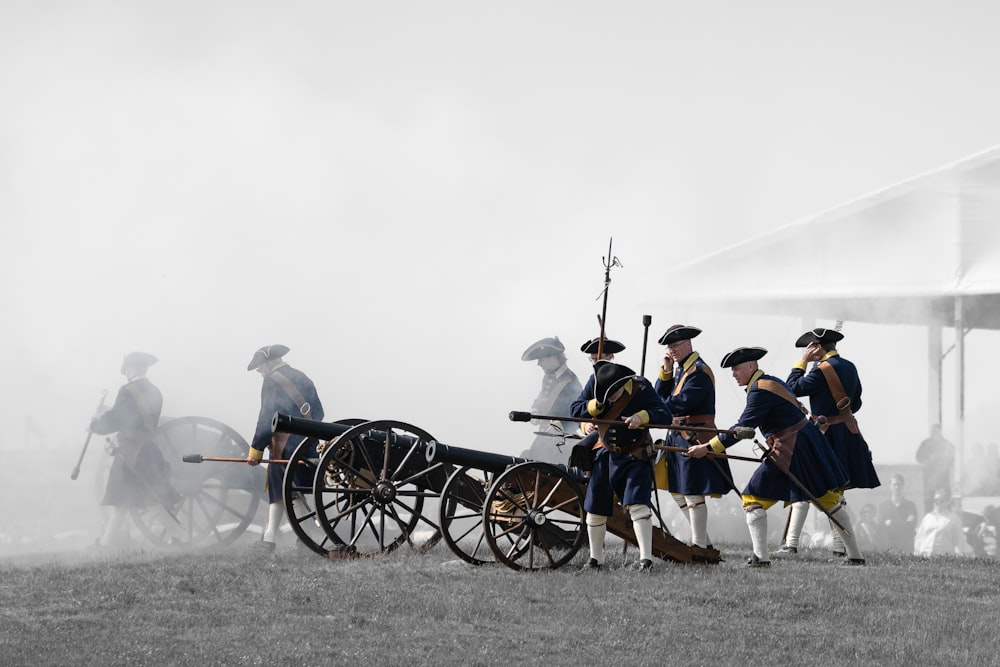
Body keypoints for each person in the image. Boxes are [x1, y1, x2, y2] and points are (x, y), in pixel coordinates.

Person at [687, 346, 864, 567]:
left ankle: (761, 558)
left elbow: (742, 429)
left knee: (752, 499)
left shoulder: (759, 390)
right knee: (827, 499)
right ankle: (856, 556)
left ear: (751, 366)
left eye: (737, 369)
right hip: (804, 444)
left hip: (791, 447)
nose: (734, 374)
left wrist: (707, 447)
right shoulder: (770, 382)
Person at [780, 327, 880, 555]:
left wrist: (801, 363)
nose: (807, 351)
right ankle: (838, 547)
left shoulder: (820, 370)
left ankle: (791, 544)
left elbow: (792, 388)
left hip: (824, 435)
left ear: (817, 348)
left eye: (809, 348)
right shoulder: (849, 366)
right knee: (837, 491)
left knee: (802, 484)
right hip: (847, 431)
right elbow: (857, 403)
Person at [571, 360, 672, 571]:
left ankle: (646, 560)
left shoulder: (641, 386)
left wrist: (642, 417)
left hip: (635, 454)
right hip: (604, 453)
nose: (609, 400)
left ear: (619, 386)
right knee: (595, 508)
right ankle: (595, 560)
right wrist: (591, 412)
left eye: (611, 396)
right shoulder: (595, 382)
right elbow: (575, 409)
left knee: (638, 505)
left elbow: (664, 414)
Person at [652, 324, 734, 549]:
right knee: (678, 491)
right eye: (670, 347)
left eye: (675, 345)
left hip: (695, 434)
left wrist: (653, 407)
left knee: (692, 492)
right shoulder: (680, 369)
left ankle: (699, 547)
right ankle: (704, 544)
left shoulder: (698, 371)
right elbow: (662, 395)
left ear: (688, 343)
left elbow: (681, 402)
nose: (672, 350)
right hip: (679, 434)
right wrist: (666, 372)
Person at [90, 351, 177, 548]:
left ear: (132, 368)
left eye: (127, 369)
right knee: (129, 500)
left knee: (131, 500)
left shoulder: (128, 390)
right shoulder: (154, 391)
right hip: (149, 450)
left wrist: (96, 425)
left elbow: (118, 418)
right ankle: (106, 544)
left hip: (131, 453)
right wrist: (108, 415)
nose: (126, 373)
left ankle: (178, 537)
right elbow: (131, 415)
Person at [245, 344, 325, 551]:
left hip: (285, 446)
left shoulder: (271, 381)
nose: (260, 372)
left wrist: (256, 450)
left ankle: (302, 539)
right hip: (307, 444)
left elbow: (266, 418)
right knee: (283, 491)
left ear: (269, 363)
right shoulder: (302, 377)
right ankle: (270, 538)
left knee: (290, 490)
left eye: (260, 367)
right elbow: (319, 413)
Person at [520, 337, 584, 465]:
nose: (539, 363)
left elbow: (578, 413)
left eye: (541, 359)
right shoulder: (548, 377)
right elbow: (542, 397)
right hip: (545, 434)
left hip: (561, 439)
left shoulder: (570, 381)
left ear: (554, 357)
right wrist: (535, 409)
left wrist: (560, 425)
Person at [913, 490, 973, 557]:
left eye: (941, 500)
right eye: (936, 500)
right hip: (925, 557)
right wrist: (916, 555)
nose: (938, 502)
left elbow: (959, 542)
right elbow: (919, 538)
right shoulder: (927, 518)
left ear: (947, 502)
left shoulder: (954, 518)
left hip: (944, 557)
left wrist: (959, 557)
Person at [916, 424, 956, 515]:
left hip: (943, 479)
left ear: (940, 431)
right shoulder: (925, 443)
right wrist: (929, 459)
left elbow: (952, 459)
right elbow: (918, 457)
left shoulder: (947, 444)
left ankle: (947, 520)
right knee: (929, 501)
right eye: (932, 431)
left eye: (935, 431)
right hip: (929, 480)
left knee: (945, 500)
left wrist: (942, 457)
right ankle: (929, 520)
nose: (933, 433)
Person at [876, 473, 919, 553]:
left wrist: (891, 522)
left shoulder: (910, 506)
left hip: (906, 547)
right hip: (888, 548)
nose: (897, 487)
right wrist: (904, 523)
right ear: (890, 486)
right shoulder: (883, 506)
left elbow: (911, 525)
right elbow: (880, 526)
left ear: (903, 486)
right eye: (894, 484)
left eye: (899, 484)